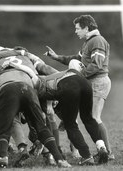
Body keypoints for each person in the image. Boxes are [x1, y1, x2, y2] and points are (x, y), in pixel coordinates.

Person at [44, 14, 114, 160]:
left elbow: (96, 65)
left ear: (86, 28)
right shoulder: (88, 42)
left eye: (77, 28)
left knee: (94, 118)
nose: (75, 31)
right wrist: (57, 57)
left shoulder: (97, 41)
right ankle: (93, 149)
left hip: (99, 82)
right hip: (90, 82)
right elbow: (76, 59)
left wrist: (78, 77)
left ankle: (108, 152)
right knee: (87, 117)